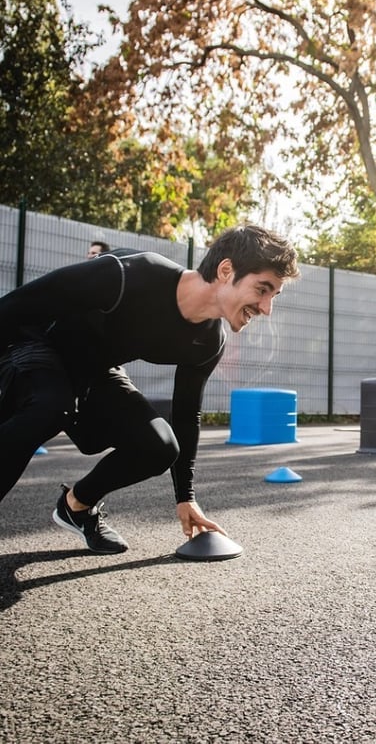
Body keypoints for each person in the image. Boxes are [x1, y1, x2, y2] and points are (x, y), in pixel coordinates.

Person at [0, 224, 300, 554]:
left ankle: (76, 507)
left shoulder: (209, 342)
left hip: (92, 372)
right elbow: (17, 305)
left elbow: (187, 414)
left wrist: (185, 497)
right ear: (226, 270)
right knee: (50, 405)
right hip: (31, 347)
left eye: (274, 295)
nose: (267, 308)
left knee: (159, 446)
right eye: (263, 289)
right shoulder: (128, 274)